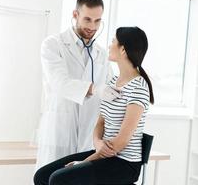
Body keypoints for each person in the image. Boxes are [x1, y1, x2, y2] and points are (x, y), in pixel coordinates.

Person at [34, 26, 154, 185]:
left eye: (113, 42)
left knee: (58, 179)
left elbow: (120, 142)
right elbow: (100, 122)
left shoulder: (138, 88)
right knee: (42, 176)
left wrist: (83, 162)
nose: (110, 45)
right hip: (104, 154)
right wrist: (98, 143)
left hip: (124, 164)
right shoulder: (113, 82)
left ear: (123, 50)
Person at [36, 0, 114, 169]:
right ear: (75, 15)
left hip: (88, 135)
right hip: (60, 130)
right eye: (87, 19)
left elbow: (111, 87)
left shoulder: (101, 54)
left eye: (97, 21)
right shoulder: (53, 45)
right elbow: (59, 83)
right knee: (51, 177)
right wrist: (95, 89)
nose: (92, 26)